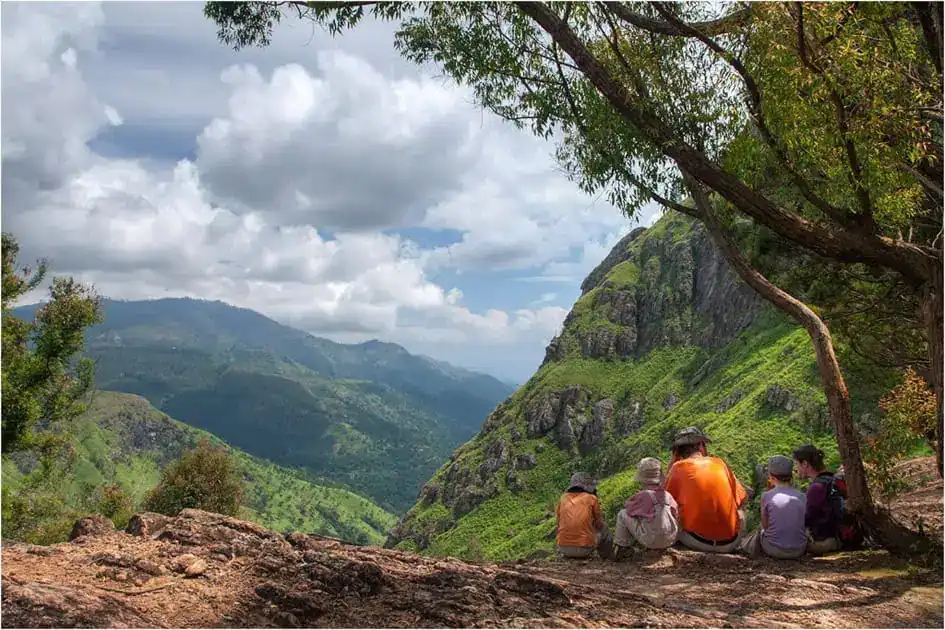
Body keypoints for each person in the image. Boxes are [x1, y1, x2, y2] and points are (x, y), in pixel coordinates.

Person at [664, 427, 748, 553]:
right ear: (701, 445)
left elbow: (662, 499)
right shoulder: (720, 463)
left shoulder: (677, 468)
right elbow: (743, 498)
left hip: (698, 542)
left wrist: (671, 464)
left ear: (677, 452)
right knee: (741, 510)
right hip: (731, 542)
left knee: (668, 509)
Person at [739, 455, 807, 559]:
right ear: (791, 475)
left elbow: (765, 526)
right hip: (799, 549)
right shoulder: (802, 496)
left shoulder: (767, 496)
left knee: (759, 533)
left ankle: (745, 550)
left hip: (773, 549)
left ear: (771, 476)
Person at [614, 457, 679, 559]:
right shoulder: (667, 495)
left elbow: (629, 509)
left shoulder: (643, 495)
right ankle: (660, 546)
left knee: (622, 514)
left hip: (651, 540)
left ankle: (623, 547)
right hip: (670, 540)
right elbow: (676, 513)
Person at [793, 444, 841, 554]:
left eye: (797, 464)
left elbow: (807, 519)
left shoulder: (816, 487)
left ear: (805, 464)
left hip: (824, 542)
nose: (797, 469)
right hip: (838, 537)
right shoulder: (831, 479)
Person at [555, 472, 614, 559]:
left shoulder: (563, 498)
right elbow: (599, 523)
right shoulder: (591, 498)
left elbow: (558, 524)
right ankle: (607, 558)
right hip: (584, 548)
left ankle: (568, 555)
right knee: (605, 529)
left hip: (563, 547)